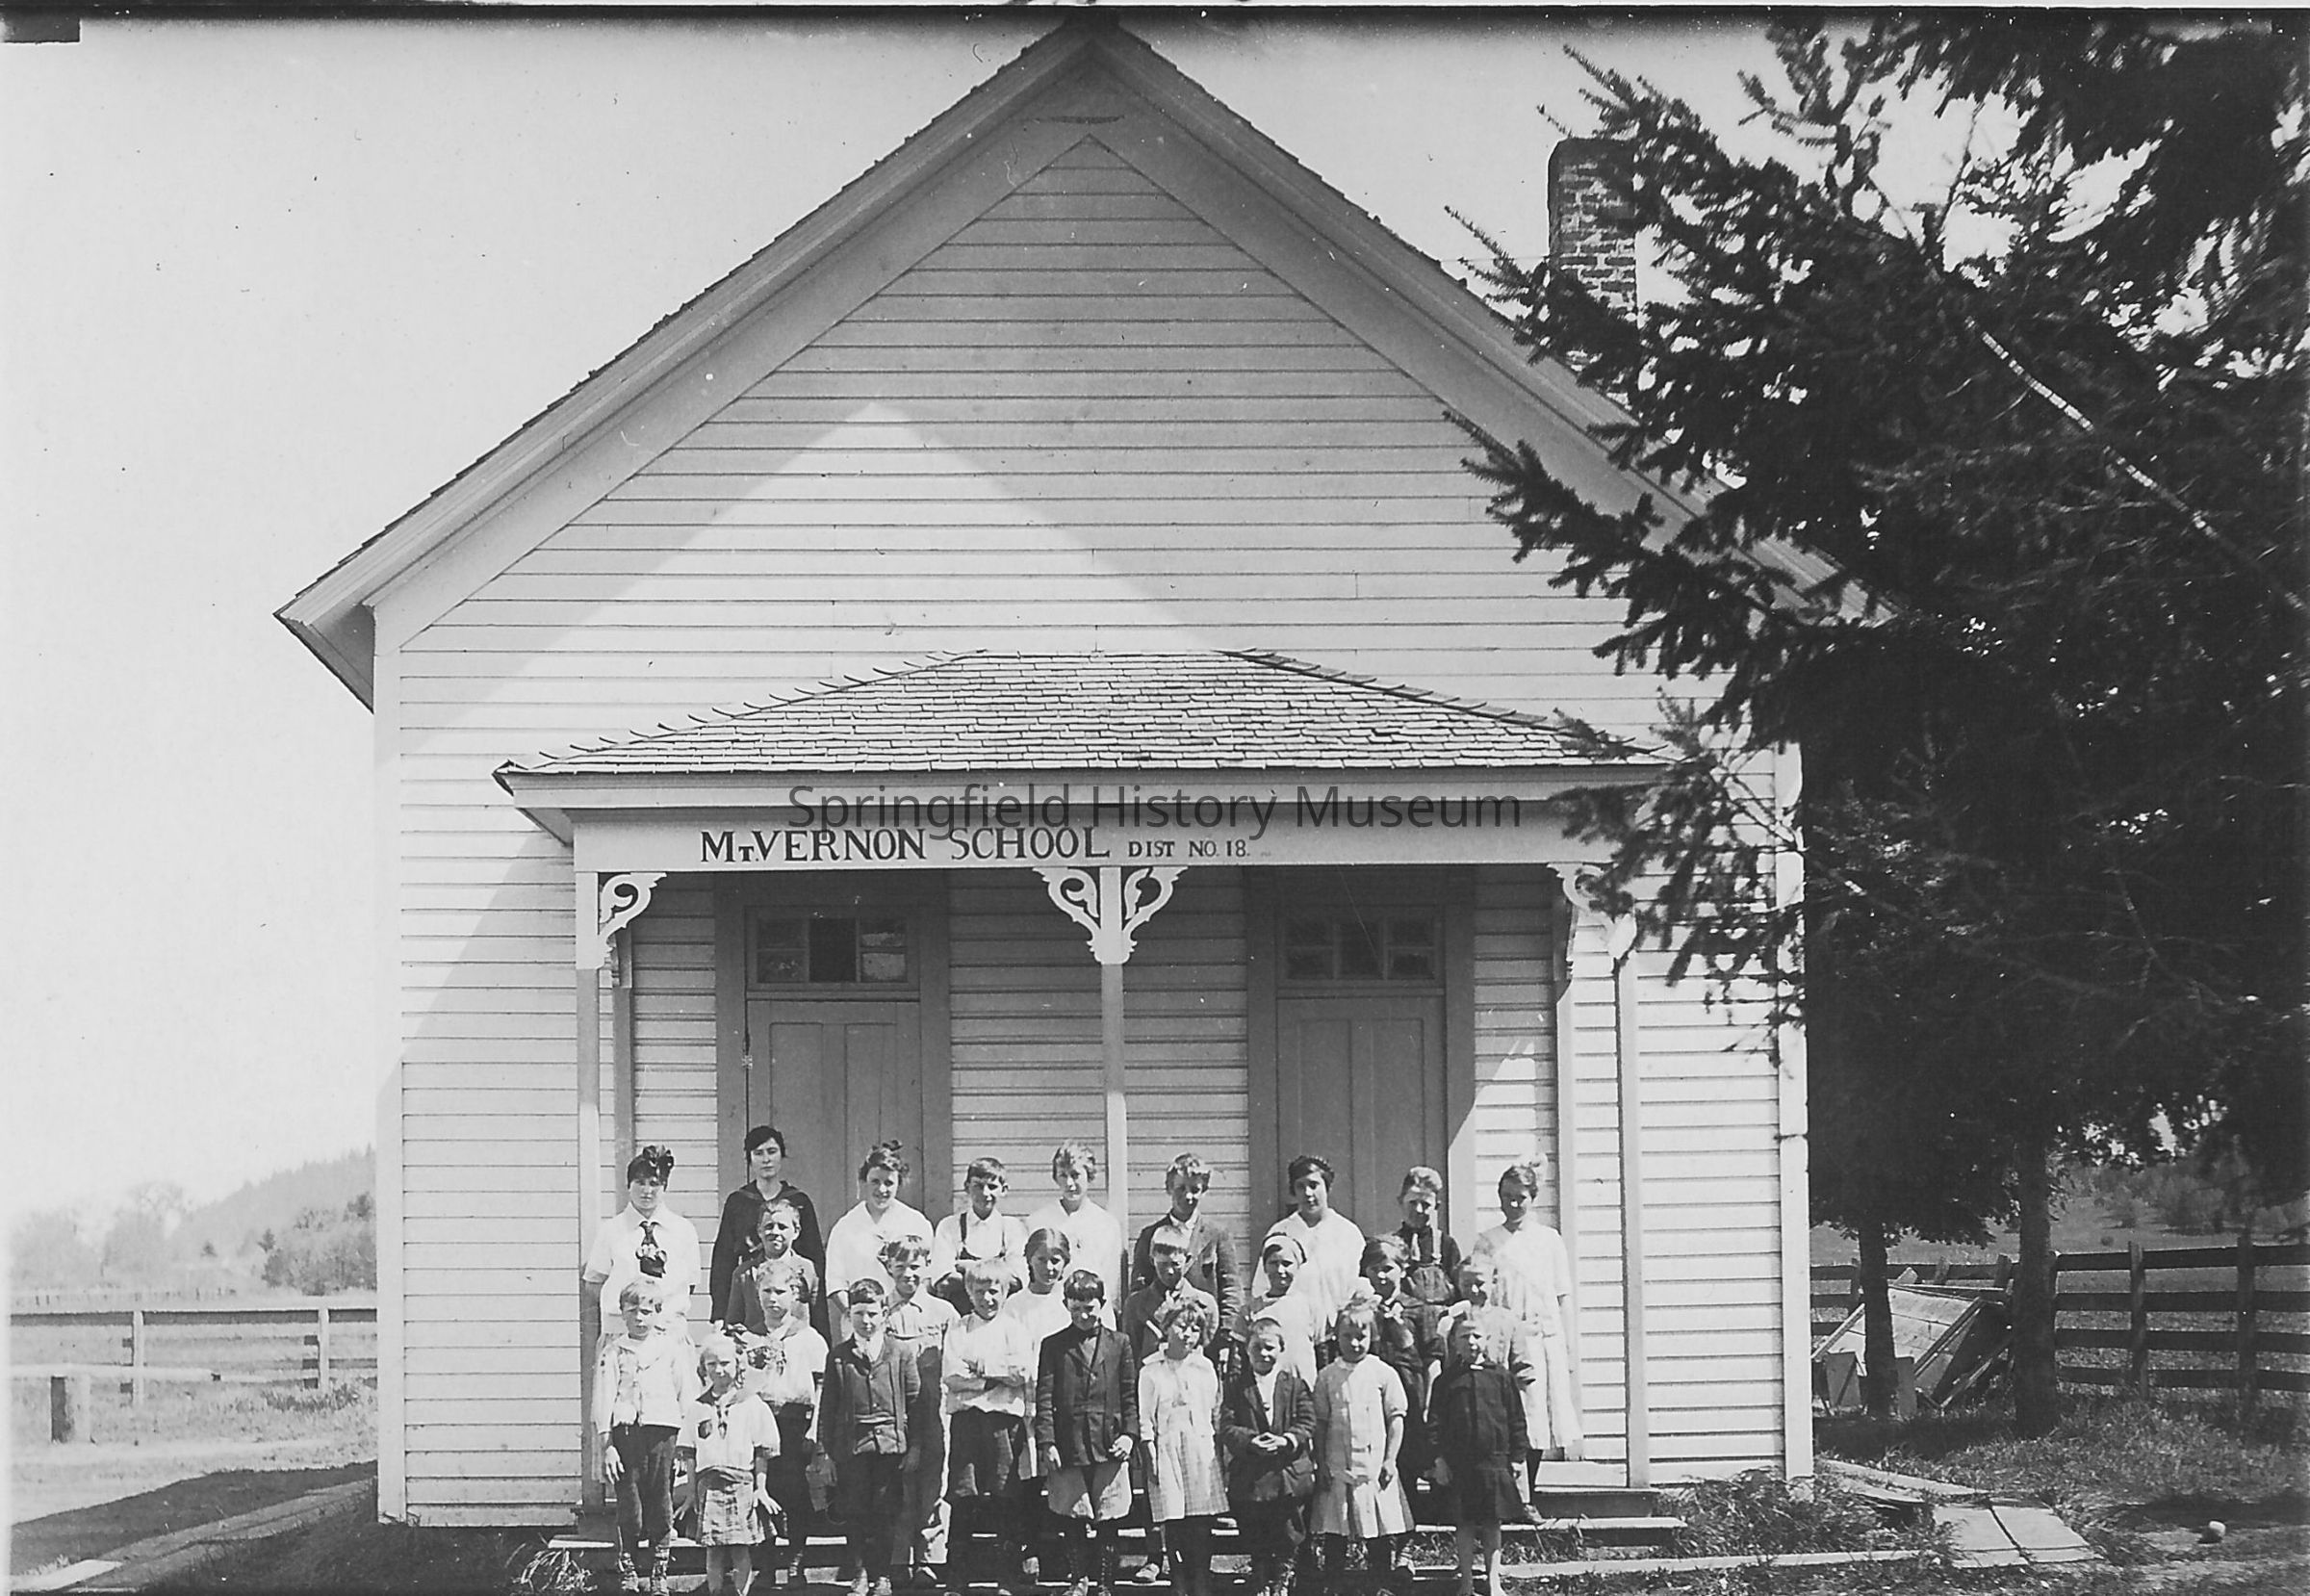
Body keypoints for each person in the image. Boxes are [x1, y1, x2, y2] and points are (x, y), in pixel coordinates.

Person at [1469, 1160, 1582, 1471]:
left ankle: (1529, 1486)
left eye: (1521, 1197)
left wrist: (1569, 1347)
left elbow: (1562, 1295)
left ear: (1533, 1198)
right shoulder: (1488, 1241)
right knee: (1512, 1411)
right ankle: (1511, 1488)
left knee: (1538, 1414)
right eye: (1507, 1197)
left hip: (1543, 1339)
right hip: (1505, 1339)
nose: (1514, 1204)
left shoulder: (1549, 1239)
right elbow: (1479, 1293)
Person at [1036, 1268, 1139, 1596]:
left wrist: (1129, 1435)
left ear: (1102, 1304)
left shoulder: (1119, 1343)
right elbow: (1044, 1397)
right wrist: (1047, 1442)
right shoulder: (1053, 1345)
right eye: (1076, 1307)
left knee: (1109, 1516)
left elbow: (1129, 1394)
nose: (1083, 1315)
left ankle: (1105, 1583)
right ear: (1066, 1305)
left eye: (1090, 1308)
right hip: (1069, 1443)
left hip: (1109, 1442)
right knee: (1073, 1514)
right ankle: (1078, 1580)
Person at [594, 1277, 700, 1596]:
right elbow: (603, 1399)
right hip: (627, 1436)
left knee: (661, 1503)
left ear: (657, 1313)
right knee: (631, 1506)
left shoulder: (670, 1349)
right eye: (632, 1311)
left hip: (663, 1435)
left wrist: (685, 1444)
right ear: (622, 1313)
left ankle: (658, 1573)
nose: (639, 1318)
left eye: (646, 1312)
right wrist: (608, 1446)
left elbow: (686, 1394)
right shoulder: (614, 1351)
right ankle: (629, 1568)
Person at [819, 1277, 921, 1596]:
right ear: (849, 1315)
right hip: (852, 1447)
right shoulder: (839, 1356)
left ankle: (883, 1575)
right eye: (859, 1314)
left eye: (873, 1314)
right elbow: (828, 1408)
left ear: (884, 1314)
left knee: (886, 1511)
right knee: (855, 1510)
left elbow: (916, 1403)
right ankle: (860, 1572)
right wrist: (827, 1454)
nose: (866, 1321)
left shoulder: (900, 1352)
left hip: (890, 1446)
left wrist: (915, 1447)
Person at [943, 1260, 1040, 1595]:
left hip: (1003, 1423)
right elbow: (953, 1375)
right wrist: (995, 1378)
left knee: (1005, 1497)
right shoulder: (959, 1329)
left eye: (994, 1291)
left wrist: (980, 1368)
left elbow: (1021, 1372)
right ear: (969, 1293)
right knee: (964, 1497)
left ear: (1006, 1292)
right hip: (967, 1422)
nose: (987, 1298)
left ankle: (1006, 1579)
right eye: (980, 1291)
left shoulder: (1015, 1329)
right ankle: (957, 1579)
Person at [733, 1260, 827, 1589]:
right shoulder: (748, 1338)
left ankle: (796, 1562)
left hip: (794, 1422)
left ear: (795, 1294)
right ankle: (767, 1563)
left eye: (781, 1292)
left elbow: (821, 1387)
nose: (773, 1299)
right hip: (760, 1421)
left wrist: (815, 1429)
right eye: (766, 1291)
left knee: (794, 1492)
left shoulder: (809, 1338)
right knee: (761, 1490)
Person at [1309, 1302, 1412, 1578]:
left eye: (1361, 1337)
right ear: (1336, 1337)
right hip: (1338, 1466)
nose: (1355, 1343)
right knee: (1336, 1531)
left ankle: (1380, 1583)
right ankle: (1334, 1584)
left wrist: (1390, 1460)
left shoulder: (1383, 1373)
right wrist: (1321, 1463)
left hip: (1373, 1467)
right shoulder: (1327, 1376)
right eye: (1347, 1337)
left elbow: (1396, 1418)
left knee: (1378, 1530)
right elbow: (1321, 1423)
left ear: (1372, 1336)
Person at [1429, 1318, 1529, 1596]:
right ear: (1454, 1343)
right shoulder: (1446, 1381)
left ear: (1486, 1340)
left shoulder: (1501, 1377)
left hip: (1494, 1462)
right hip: (1460, 1464)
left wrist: (1517, 1457)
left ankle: (1493, 1580)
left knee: (1492, 1522)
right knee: (1464, 1522)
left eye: (1476, 1336)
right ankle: (1466, 1582)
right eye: (1464, 1337)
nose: (1471, 1342)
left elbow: (1516, 1419)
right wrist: (1439, 1459)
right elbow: (1435, 1423)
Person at [881, 1234, 959, 1585]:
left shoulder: (944, 1313)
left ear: (927, 1266)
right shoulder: (879, 1310)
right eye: (900, 1266)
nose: (908, 1273)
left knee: (933, 1483)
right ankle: (898, 1559)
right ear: (888, 1267)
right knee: (899, 1486)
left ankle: (930, 1558)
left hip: (935, 1411)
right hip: (894, 1413)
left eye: (915, 1266)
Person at [1137, 1300, 1227, 1596]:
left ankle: (1200, 1579)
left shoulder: (1204, 1368)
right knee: (1173, 1519)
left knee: (1200, 1521)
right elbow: (1145, 1419)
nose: (1188, 1334)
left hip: (1199, 1449)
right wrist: (1150, 1455)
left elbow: (1213, 1410)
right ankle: (1179, 1582)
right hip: (1167, 1449)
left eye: (1195, 1329)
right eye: (1181, 1326)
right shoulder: (1151, 1370)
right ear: (1166, 1328)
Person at [1219, 1320, 1316, 1596]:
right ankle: (1261, 1578)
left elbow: (1307, 1421)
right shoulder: (1237, 1387)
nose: (1263, 1354)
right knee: (1255, 1529)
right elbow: (1227, 1425)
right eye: (1256, 1348)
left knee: (1288, 1530)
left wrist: (1287, 1439)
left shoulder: (1295, 1386)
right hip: (1253, 1475)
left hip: (1287, 1473)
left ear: (1281, 1349)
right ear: (1246, 1351)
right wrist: (1251, 1441)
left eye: (1270, 1348)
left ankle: (1282, 1579)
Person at [681, 1332, 782, 1596]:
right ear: (703, 1368)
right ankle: (715, 1590)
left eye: (725, 1363)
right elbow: (690, 1453)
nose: (719, 1370)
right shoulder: (697, 1408)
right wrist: (691, 1494)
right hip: (709, 1487)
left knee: (740, 1548)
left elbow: (762, 1450)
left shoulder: (752, 1404)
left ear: (738, 1365)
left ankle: (740, 1592)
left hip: (741, 1485)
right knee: (713, 1549)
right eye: (712, 1364)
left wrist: (761, 1489)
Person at [711, 1125, 828, 1338]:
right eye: (758, 1153)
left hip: (791, 1295)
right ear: (749, 1159)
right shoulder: (738, 1202)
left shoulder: (798, 1201)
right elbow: (723, 1260)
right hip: (752, 1292)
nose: (766, 1160)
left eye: (772, 1152)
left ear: (781, 1155)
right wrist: (720, 1313)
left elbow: (815, 1258)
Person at [1353, 1236, 1445, 1494]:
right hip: (1369, 1397)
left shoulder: (1419, 1310)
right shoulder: (1359, 1311)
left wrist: (1428, 1403)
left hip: (1409, 1395)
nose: (1381, 1276)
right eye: (1374, 1269)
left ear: (1403, 1270)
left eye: (1388, 1269)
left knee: (1406, 1465)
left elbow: (1432, 1361)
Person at [585, 1145, 703, 1338]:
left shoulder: (683, 1230)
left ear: (664, 1186)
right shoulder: (611, 1230)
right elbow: (594, 1283)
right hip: (621, 1332)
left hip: (668, 1332)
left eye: (654, 1183)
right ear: (628, 1185)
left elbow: (689, 1284)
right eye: (640, 1182)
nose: (647, 1191)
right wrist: (628, 1312)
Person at [824, 1142, 936, 1343]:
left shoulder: (916, 1222)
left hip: (907, 1325)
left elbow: (926, 1277)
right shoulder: (845, 1227)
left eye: (889, 1183)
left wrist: (905, 1311)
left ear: (899, 1183)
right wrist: (861, 1316)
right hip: (862, 1327)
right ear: (864, 1181)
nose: (882, 1189)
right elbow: (835, 1283)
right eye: (875, 1181)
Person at [1129, 1153, 1239, 1335]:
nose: (1188, 1196)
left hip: (1204, 1334)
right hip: (1160, 1333)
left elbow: (1230, 1288)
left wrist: (1225, 1335)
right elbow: (1139, 1289)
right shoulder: (1150, 1235)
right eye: (1180, 1188)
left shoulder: (1217, 1234)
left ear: (1204, 1190)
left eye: (1195, 1190)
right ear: (1169, 1188)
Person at [1263, 1155, 1365, 1336]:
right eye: (1300, 1186)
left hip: (1339, 1333)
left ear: (1327, 1187)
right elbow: (1263, 1287)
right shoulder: (1281, 1232)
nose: (1308, 1193)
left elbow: (1358, 1286)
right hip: (1292, 1331)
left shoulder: (1347, 1233)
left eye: (1313, 1185)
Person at [1024, 1142, 1127, 1309]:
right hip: (1048, 1310)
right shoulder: (1038, 1221)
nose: (1069, 1183)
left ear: (1089, 1175)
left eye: (1075, 1175)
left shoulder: (1107, 1224)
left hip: (1092, 1311)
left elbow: (1112, 1284)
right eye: (1063, 1176)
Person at [932, 1156, 1031, 1310]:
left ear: (1003, 1190)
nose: (985, 1193)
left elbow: (1017, 1282)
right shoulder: (950, 1226)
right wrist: (999, 1271)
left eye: (992, 1187)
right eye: (978, 1186)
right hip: (961, 1316)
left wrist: (967, 1267)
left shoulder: (1013, 1228)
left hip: (1003, 1315)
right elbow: (944, 1282)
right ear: (967, 1187)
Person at [1120, 1224, 1220, 1367]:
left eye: (1176, 1264)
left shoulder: (1205, 1304)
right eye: (1163, 1264)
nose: (1170, 1271)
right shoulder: (1136, 1305)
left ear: (1187, 1259)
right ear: (1152, 1260)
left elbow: (1211, 1358)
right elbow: (1132, 1356)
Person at [726, 1198, 824, 1333]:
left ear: (796, 1231)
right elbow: (733, 1323)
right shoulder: (744, 1273)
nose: (775, 1232)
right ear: (759, 1231)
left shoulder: (807, 1269)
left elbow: (819, 1320)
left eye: (782, 1227)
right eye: (769, 1227)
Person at [1234, 1234, 1319, 1386]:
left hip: (1303, 1388)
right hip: (1263, 1389)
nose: (1280, 1270)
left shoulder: (1310, 1306)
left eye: (1287, 1264)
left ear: (1297, 1266)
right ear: (1265, 1267)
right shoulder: (1251, 1310)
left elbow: (1322, 1352)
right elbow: (1238, 1359)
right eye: (1273, 1263)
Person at [1394, 1167, 1463, 1310]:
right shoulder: (1390, 1245)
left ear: (1436, 1206)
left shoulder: (1447, 1245)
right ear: (1400, 1202)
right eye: (1412, 1203)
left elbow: (1460, 1291)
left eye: (1425, 1205)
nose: (1418, 1210)